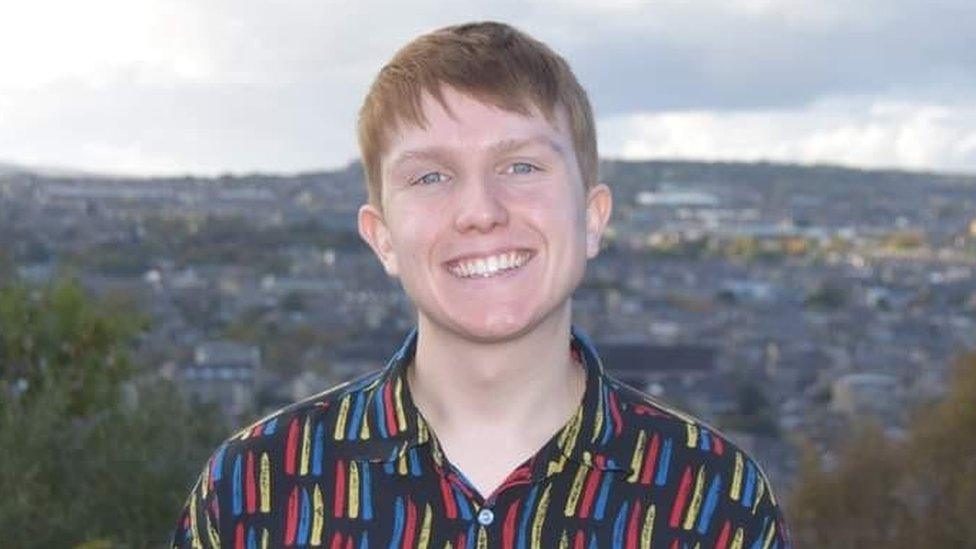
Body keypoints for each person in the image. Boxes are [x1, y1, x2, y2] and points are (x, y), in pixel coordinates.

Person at [172, 21, 791, 548]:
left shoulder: (714, 501)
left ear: (593, 218)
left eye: (520, 166)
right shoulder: (255, 491)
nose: (481, 210)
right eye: (432, 177)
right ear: (382, 237)